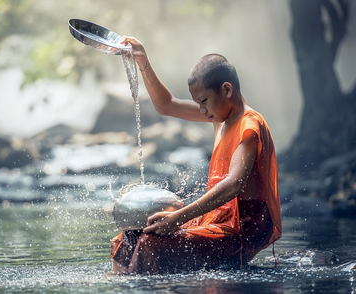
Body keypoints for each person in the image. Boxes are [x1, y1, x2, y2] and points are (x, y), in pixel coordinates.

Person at [110, 37, 282, 275]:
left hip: (239, 232)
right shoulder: (219, 116)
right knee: (130, 235)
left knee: (151, 243)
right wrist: (142, 61)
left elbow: (233, 184)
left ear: (227, 90)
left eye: (203, 102)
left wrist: (178, 218)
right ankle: (116, 286)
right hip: (214, 221)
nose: (202, 111)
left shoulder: (249, 125)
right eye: (197, 103)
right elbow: (167, 105)